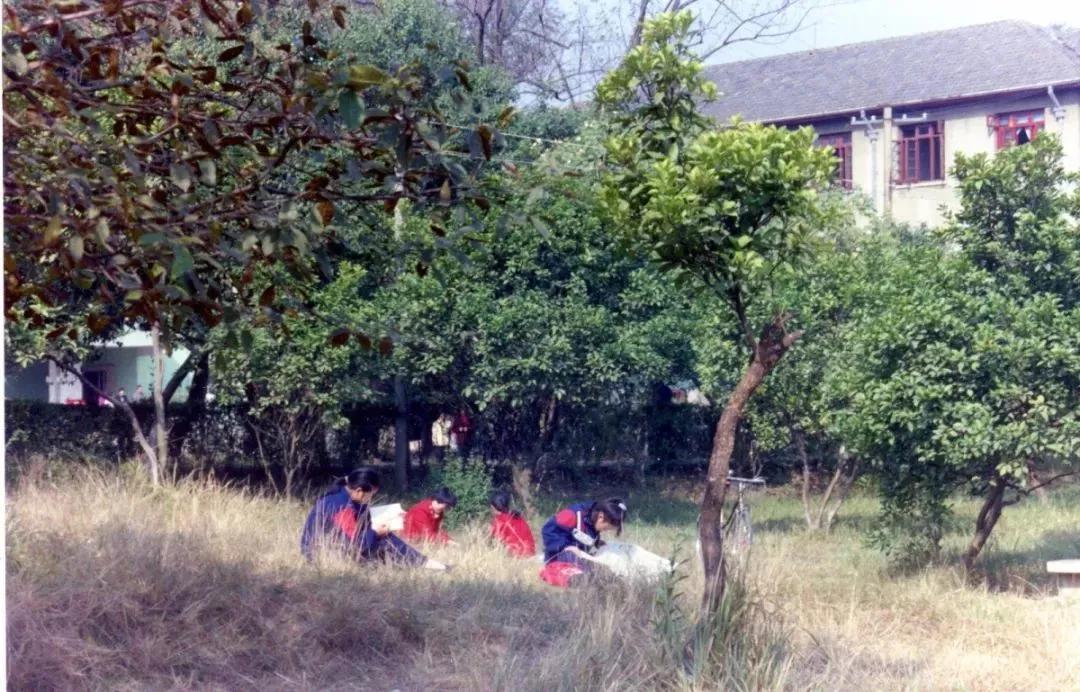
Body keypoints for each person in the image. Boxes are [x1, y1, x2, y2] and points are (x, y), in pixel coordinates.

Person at [300, 468, 448, 570]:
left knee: (383, 539)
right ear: (359, 491)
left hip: (326, 547)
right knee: (385, 539)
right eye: (371, 495)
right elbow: (357, 545)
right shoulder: (342, 507)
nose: (371, 499)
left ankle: (421, 563)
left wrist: (392, 517)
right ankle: (425, 564)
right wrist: (376, 532)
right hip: (321, 554)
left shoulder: (342, 495)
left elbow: (361, 521)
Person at [540, 497, 628, 587]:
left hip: (580, 556)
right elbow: (548, 530)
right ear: (601, 517)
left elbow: (583, 536)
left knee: (600, 570)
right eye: (606, 528)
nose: (604, 531)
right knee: (584, 572)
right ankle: (581, 579)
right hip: (559, 556)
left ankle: (602, 580)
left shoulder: (593, 519)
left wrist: (596, 543)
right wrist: (566, 546)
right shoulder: (572, 515)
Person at [489, 490, 536, 558]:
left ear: (493, 508)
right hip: (530, 554)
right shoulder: (517, 517)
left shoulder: (499, 521)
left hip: (516, 557)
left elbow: (494, 543)